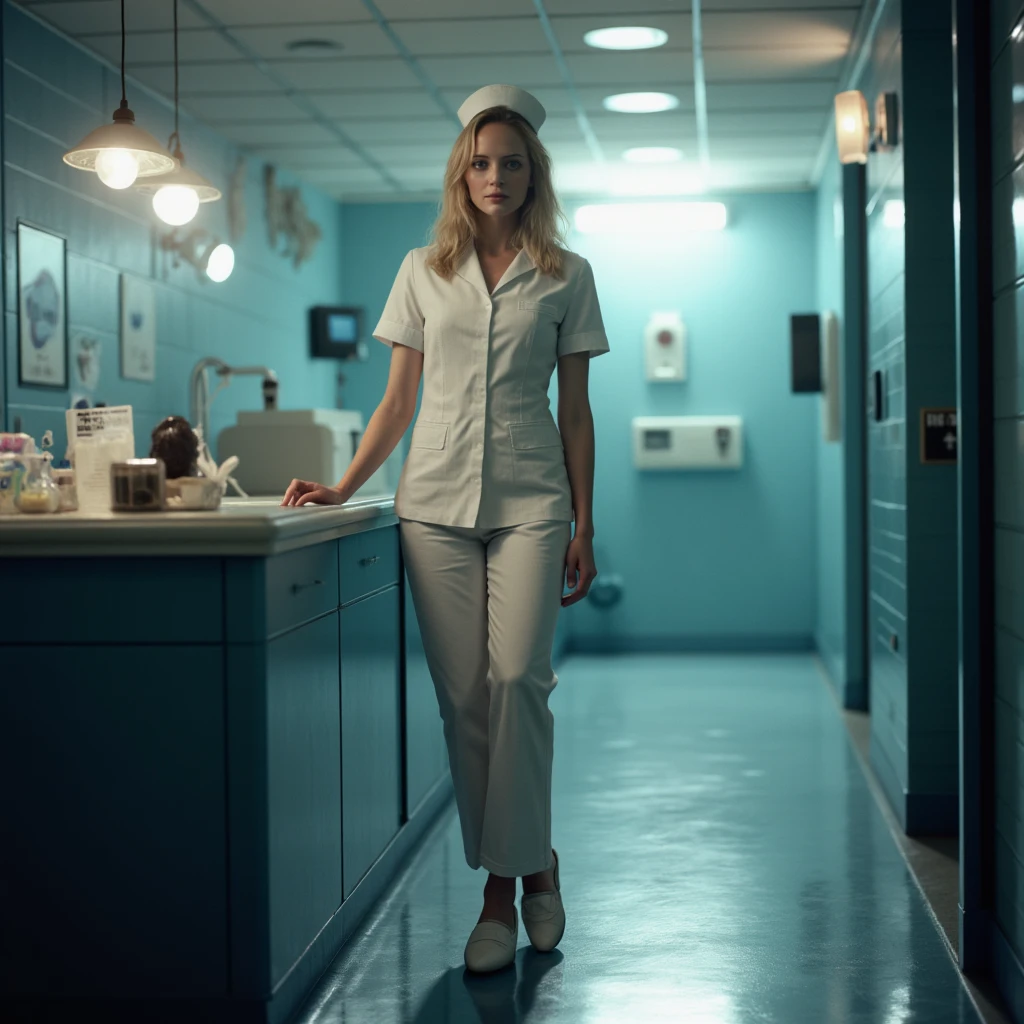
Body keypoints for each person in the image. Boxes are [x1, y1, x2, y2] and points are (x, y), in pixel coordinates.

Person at [282, 84, 609, 973]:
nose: (494, 177)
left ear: (532, 174)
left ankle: (499, 894)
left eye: (510, 163)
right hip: (431, 508)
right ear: (460, 176)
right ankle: (534, 862)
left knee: (518, 681)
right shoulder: (421, 268)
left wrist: (586, 522)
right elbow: (397, 402)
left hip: (536, 506)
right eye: (480, 163)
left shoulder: (567, 275)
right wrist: (345, 484)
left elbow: (576, 413)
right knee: (465, 699)